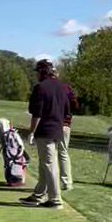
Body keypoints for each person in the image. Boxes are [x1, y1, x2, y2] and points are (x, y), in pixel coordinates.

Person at [19, 59, 72, 209]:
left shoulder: (40, 88)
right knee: (45, 164)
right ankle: (38, 194)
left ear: (42, 72)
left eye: (37, 72)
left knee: (49, 164)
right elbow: (68, 110)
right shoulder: (63, 87)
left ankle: (55, 200)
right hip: (58, 130)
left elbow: (37, 114)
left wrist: (31, 131)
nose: (36, 75)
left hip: (45, 131)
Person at [59, 77, 79, 192]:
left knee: (50, 154)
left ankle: (49, 183)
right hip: (66, 125)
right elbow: (75, 106)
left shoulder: (54, 88)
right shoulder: (67, 89)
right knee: (63, 153)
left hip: (55, 124)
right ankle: (67, 183)